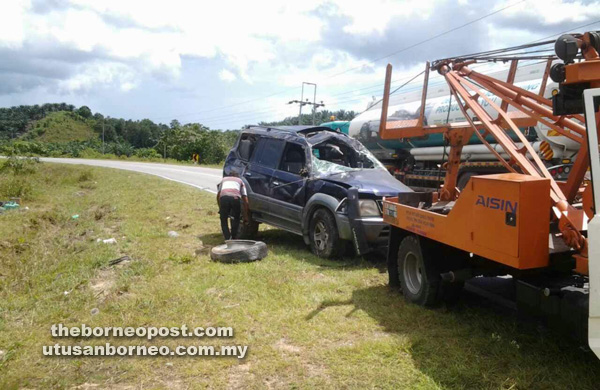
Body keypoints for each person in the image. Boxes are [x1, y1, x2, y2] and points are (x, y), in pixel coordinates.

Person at [216, 173, 249, 240]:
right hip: (235, 199)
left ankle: (227, 238)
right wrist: (245, 216)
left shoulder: (224, 180)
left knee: (223, 219)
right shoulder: (240, 181)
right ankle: (233, 237)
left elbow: (218, 196)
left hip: (224, 198)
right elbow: (245, 199)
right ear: (237, 176)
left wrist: (220, 208)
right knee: (236, 218)